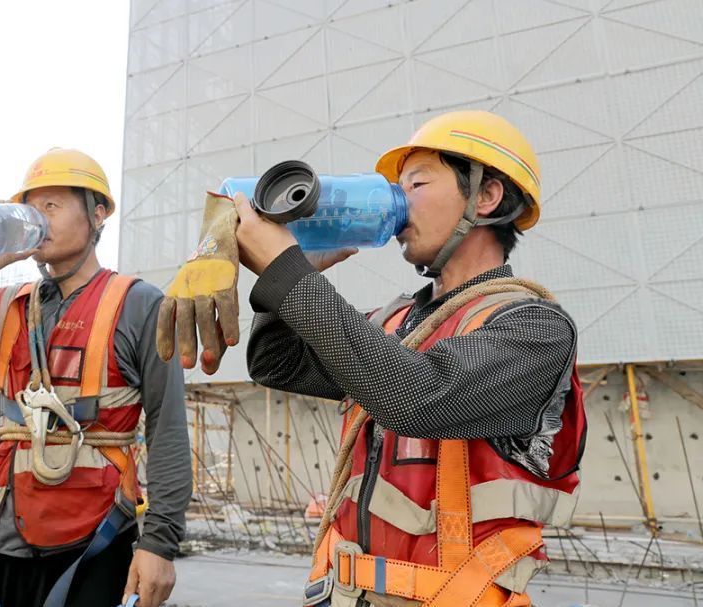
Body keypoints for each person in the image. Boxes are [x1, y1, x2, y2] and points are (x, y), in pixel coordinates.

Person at [164, 111, 586, 606]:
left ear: (486, 197)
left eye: (417, 183)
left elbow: (418, 395)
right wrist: (302, 261)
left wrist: (288, 270)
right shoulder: (397, 322)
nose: (398, 199)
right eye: (396, 185)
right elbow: (276, 361)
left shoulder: (535, 328)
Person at [0, 148, 191, 607]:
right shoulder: (5, 306)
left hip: (93, 538)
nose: (39, 219)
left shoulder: (140, 305)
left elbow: (169, 429)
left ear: (97, 215)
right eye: (32, 208)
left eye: (53, 206)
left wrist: (160, 543)